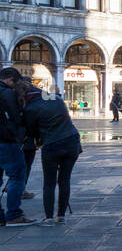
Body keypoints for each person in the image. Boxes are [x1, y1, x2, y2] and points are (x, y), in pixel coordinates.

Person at [24, 83, 82, 225]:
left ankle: (49, 217)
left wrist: (38, 138)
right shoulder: (56, 99)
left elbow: (30, 132)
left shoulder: (31, 108)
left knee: (49, 183)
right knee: (64, 179)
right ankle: (61, 215)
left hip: (52, 144)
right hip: (72, 141)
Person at [0, 68, 34, 226]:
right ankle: (14, 214)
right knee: (18, 175)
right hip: (6, 141)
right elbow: (16, 118)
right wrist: (19, 136)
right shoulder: (7, 93)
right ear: (11, 80)